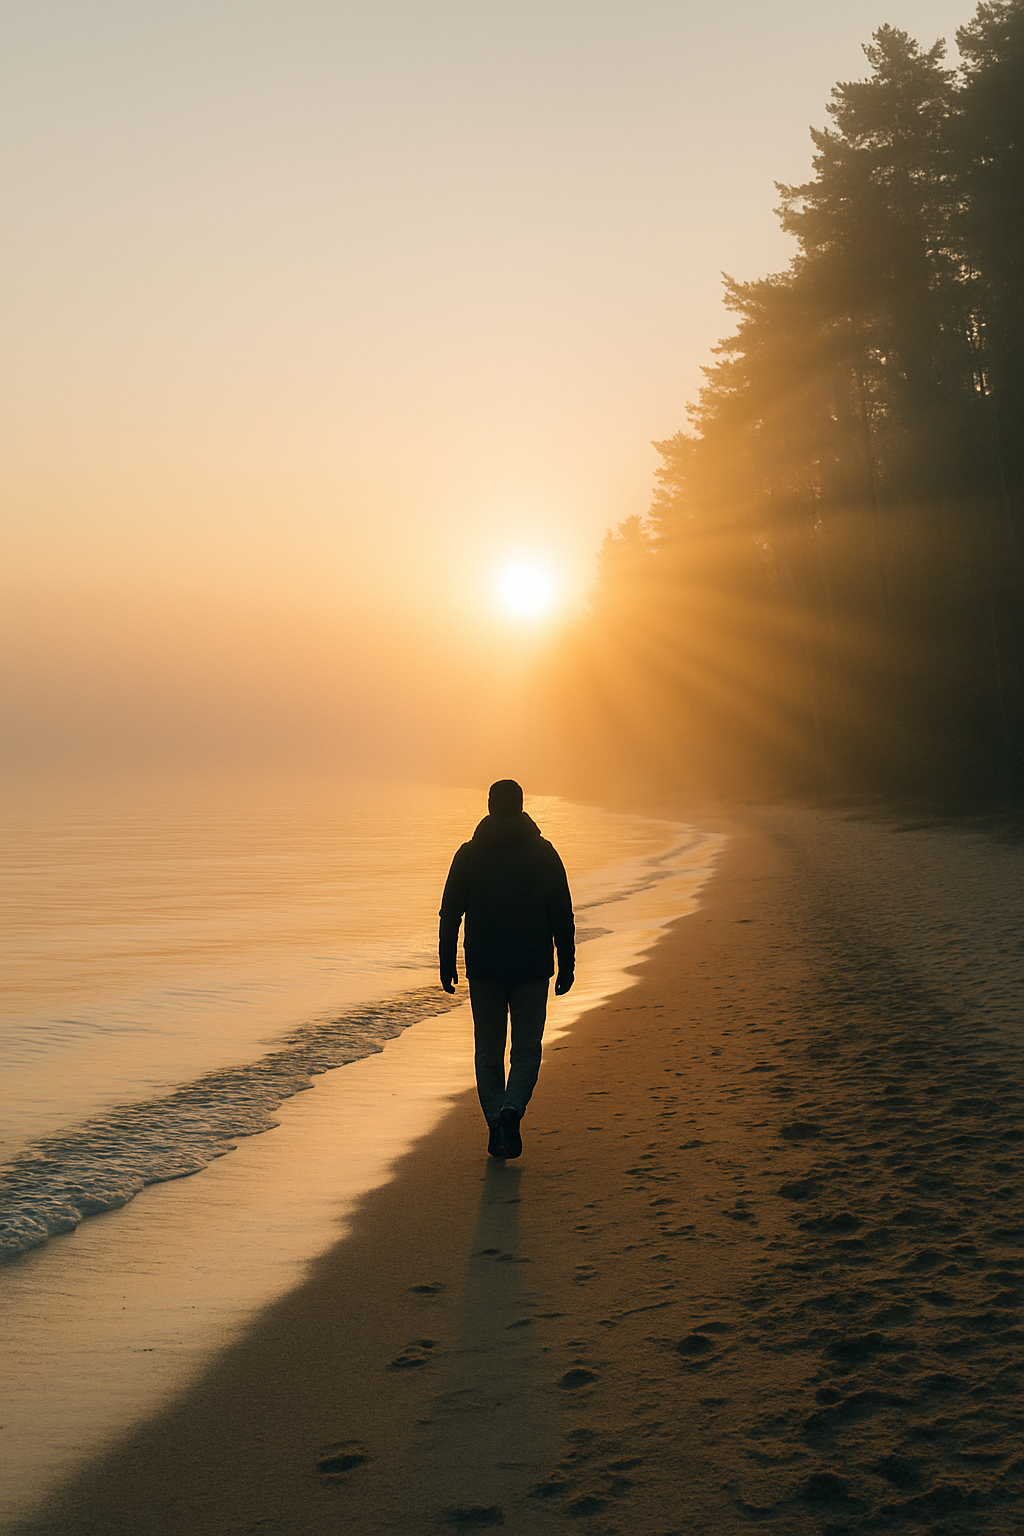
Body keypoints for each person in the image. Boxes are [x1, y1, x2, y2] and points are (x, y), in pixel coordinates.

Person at [439, 779, 575, 1160]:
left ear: (489, 806)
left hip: (484, 969)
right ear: (521, 806)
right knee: (526, 1049)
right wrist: (567, 963)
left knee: (488, 1051)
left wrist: (446, 962)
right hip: (532, 967)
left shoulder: (468, 855)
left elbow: (450, 913)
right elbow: (562, 913)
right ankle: (511, 1110)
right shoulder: (544, 854)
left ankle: (496, 1119)